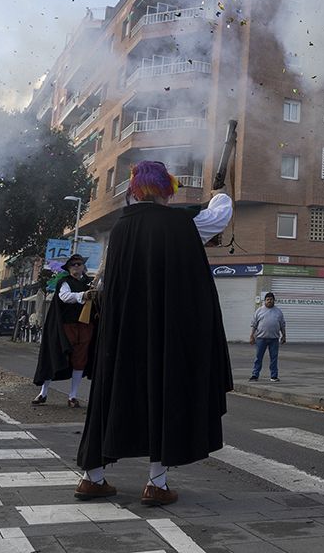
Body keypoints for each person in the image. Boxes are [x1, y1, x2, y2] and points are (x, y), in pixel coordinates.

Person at [75, 161, 233, 507]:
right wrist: (221, 195)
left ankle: (92, 478)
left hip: (120, 333)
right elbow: (219, 216)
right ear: (167, 189)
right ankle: (155, 484)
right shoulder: (180, 224)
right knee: (163, 395)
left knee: (112, 395)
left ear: (133, 191)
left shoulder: (119, 229)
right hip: (162, 328)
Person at [32, 254, 99, 408]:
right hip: (65, 327)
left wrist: (96, 291)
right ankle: (43, 393)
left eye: (79, 264)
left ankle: (73, 397)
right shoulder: (64, 282)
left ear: (83, 267)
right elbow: (65, 297)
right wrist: (83, 295)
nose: (77, 266)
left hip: (84, 326)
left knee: (80, 360)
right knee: (56, 356)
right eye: (74, 264)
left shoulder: (90, 283)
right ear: (69, 268)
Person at [249, 292, 286, 382]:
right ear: (265, 301)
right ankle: (255, 375)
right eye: (267, 299)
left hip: (274, 339)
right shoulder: (259, 311)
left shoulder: (278, 312)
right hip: (261, 338)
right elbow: (254, 324)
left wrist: (284, 335)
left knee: (274, 358)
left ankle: (274, 376)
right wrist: (252, 336)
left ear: (274, 300)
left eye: (271, 299)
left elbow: (282, 325)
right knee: (258, 357)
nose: (269, 301)